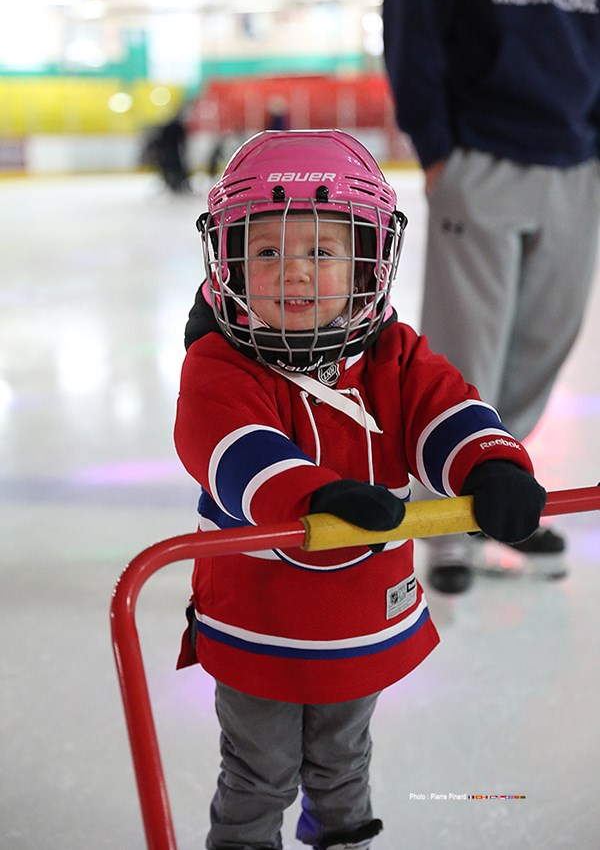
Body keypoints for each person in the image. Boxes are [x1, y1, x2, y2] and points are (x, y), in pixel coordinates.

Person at [174, 130, 546, 850]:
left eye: (321, 252)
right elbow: (229, 448)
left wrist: (490, 466)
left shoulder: (391, 354)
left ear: (368, 260)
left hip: (359, 612)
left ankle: (343, 839)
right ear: (229, 262)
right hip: (261, 619)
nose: (294, 275)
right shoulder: (221, 363)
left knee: (344, 764)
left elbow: (443, 409)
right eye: (267, 252)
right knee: (260, 771)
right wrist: (313, 498)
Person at [383, 0, 600, 593]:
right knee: (466, 349)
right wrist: (437, 151)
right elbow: (412, 31)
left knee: (545, 341)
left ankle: (498, 491)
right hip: (481, 155)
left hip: (577, 162)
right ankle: (444, 523)